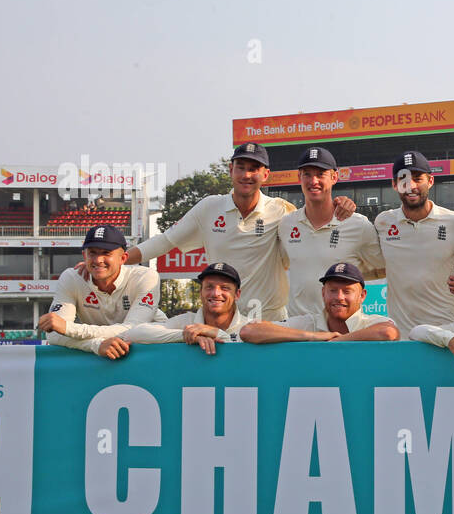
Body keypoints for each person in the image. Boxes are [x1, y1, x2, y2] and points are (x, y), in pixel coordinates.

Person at [126, 143, 295, 321]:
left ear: (266, 174)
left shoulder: (281, 210)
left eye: (253, 169)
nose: (246, 175)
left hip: (270, 323)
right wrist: (117, 260)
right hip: (223, 322)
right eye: (241, 168)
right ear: (231, 170)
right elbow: (166, 241)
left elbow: (307, 250)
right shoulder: (210, 207)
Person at [277, 147, 381, 318]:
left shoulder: (358, 225)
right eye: (307, 174)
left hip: (342, 329)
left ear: (334, 177)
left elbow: (385, 266)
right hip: (298, 329)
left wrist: (349, 278)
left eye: (320, 174)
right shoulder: (287, 224)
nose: (313, 181)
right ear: (299, 178)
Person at [373, 149, 454, 335]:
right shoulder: (383, 222)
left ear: (430, 181)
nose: (411, 185)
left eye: (418, 178)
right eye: (404, 179)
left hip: (446, 332)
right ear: (394, 184)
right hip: (403, 336)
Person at [37, 225, 161, 360]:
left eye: (106, 253)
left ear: (123, 258)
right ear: (84, 255)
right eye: (92, 253)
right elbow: (54, 334)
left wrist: (68, 328)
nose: (98, 260)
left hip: (150, 353)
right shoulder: (71, 278)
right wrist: (96, 345)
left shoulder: (145, 277)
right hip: (103, 357)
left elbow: (133, 330)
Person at [110, 262, 249, 355]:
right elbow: (134, 334)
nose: (216, 293)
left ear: (237, 294)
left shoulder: (248, 327)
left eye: (225, 288)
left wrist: (215, 332)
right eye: (209, 287)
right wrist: (185, 335)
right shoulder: (186, 322)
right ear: (201, 292)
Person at [241, 262, 398, 343]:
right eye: (333, 290)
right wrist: (311, 336)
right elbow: (249, 331)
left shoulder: (371, 322)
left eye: (347, 291)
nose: (339, 297)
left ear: (362, 296)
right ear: (323, 293)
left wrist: (336, 341)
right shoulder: (308, 323)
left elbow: (388, 332)